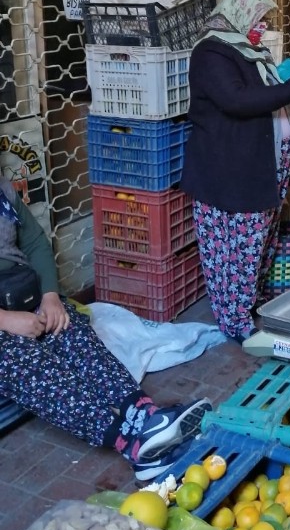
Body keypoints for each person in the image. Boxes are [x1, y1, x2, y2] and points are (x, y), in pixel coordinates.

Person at [0, 178, 210, 482]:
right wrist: (6, 320)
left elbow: (34, 242)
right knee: (30, 365)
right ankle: (130, 444)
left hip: (22, 294)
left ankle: (145, 415)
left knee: (70, 332)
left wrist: (49, 296)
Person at [181, 0, 290, 340]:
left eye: (265, 18)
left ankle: (246, 303)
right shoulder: (212, 52)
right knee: (232, 253)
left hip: (257, 167)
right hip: (228, 172)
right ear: (238, 15)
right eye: (259, 17)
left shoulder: (248, 50)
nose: (264, 24)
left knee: (254, 246)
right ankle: (234, 322)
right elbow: (237, 100)